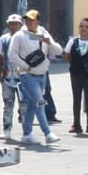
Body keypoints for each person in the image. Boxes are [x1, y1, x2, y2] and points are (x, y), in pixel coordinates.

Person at [9, 10, 62, 145]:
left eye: (32, 20)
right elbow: (12, 54)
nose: (29, 22)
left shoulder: (43, 33)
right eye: (27, 20)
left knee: (33, 104)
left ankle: (27, 134)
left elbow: (59, 51)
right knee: (39, 102)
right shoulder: (19, 36)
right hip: (27, 75)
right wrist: (24, 65)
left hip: (42, 74)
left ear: (38, 21)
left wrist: (49, 42)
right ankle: (47, 133)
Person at [0, 14, 25, 139]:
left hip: (22, 75)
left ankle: (26, 130)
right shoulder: (4, 39)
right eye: (11, 24)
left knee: (24, 104)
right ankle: (7, 129)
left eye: (16, 24)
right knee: (8, 103)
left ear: (20, 25)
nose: (14, 26)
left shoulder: (25, 38)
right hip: (8, 76)